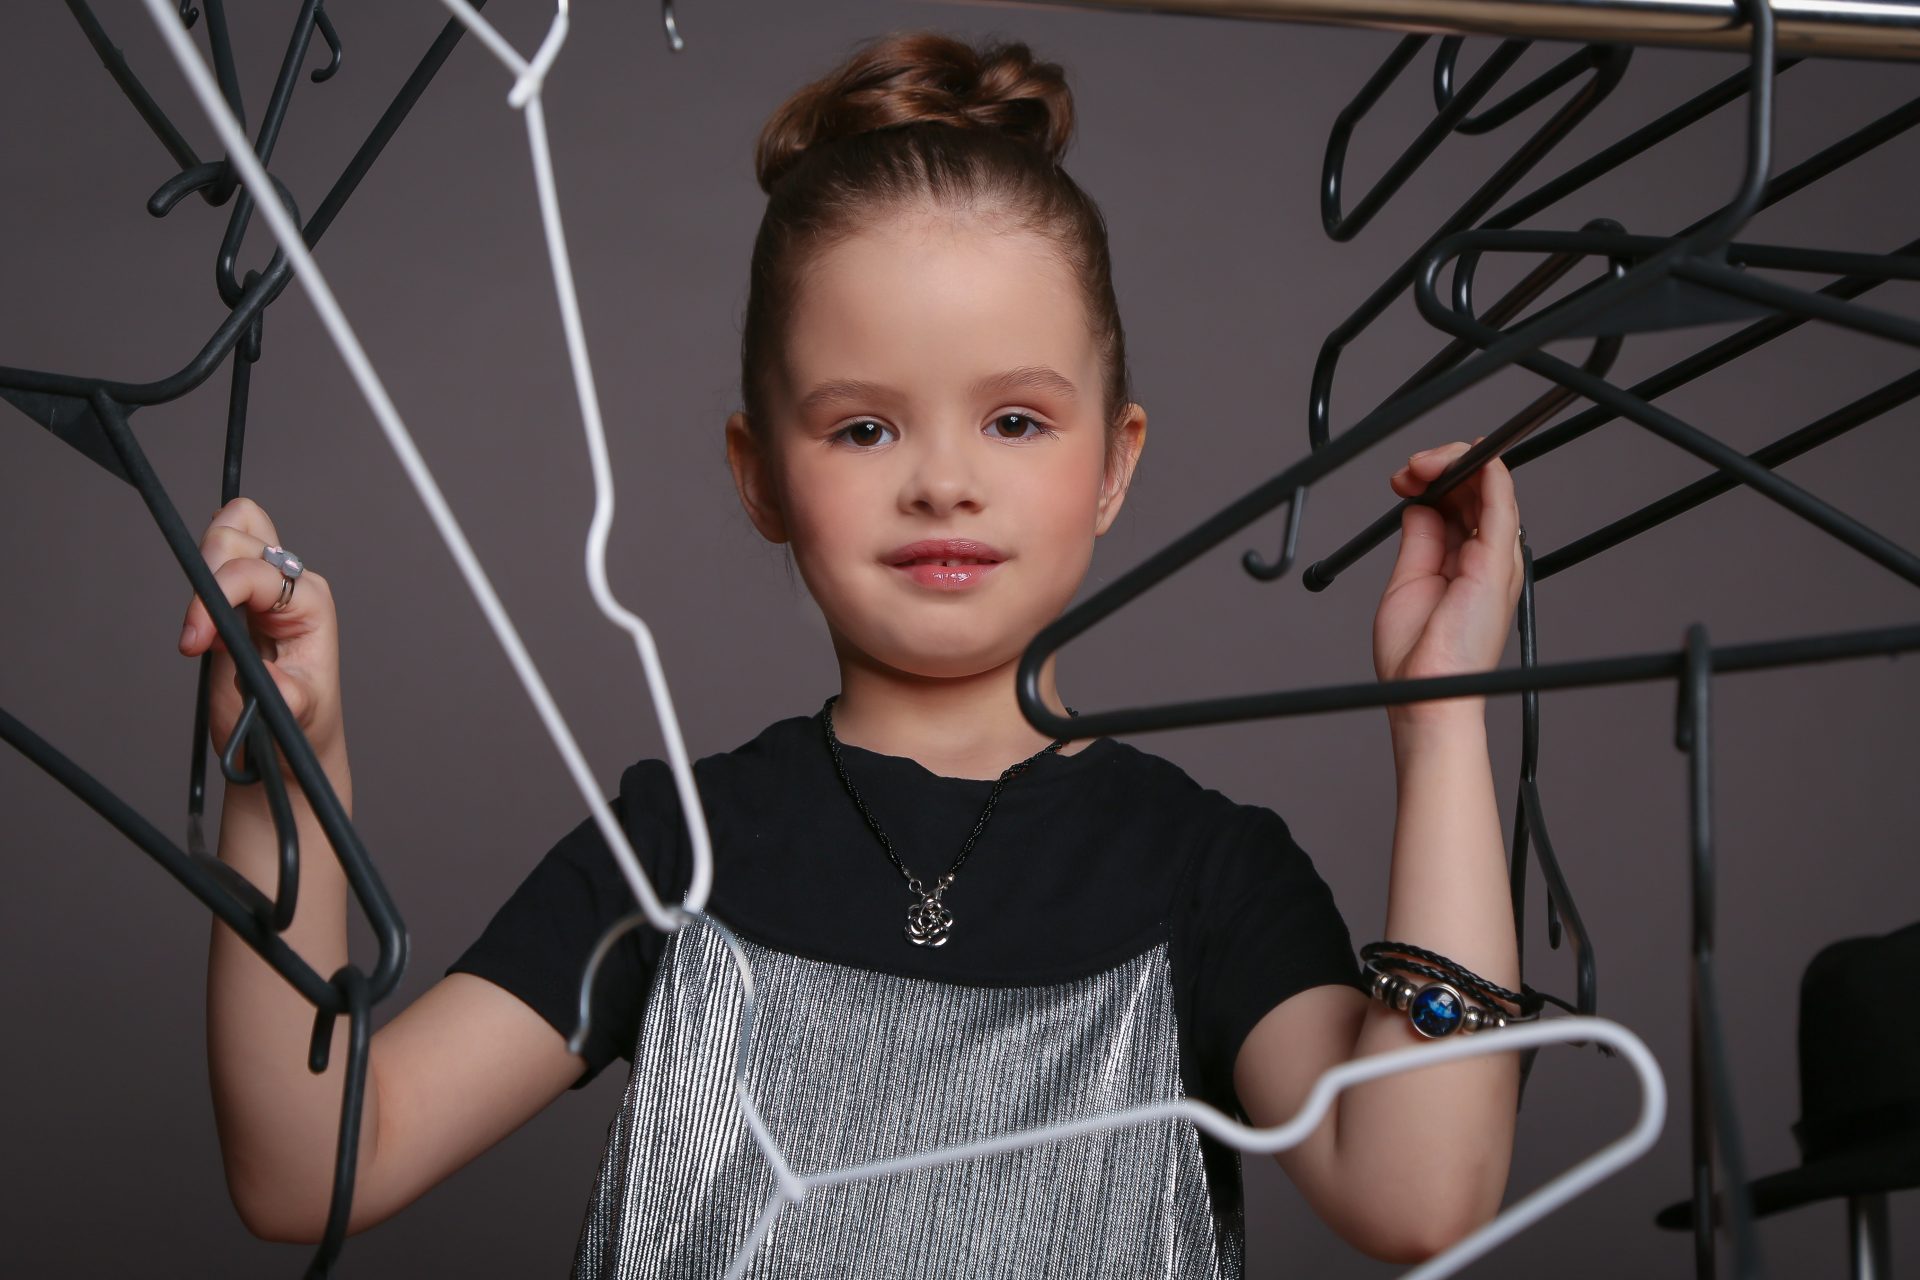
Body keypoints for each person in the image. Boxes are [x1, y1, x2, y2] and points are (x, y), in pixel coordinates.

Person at [181, 29, 1527, 1279]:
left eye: (1015, 420)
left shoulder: (1206, 875)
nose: (942, 481)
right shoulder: (675, 850)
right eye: (864, 428)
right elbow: (311, 1168)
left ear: (1116, 462)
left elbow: (1421, 1196)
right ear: (759, 473)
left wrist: (1444, 716)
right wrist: (284, 773)